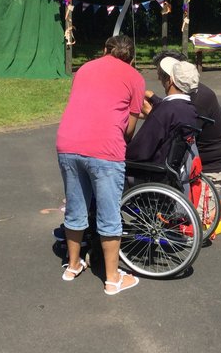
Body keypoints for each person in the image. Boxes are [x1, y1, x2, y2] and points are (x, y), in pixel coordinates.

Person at [56, 35, 143, 295]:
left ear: (105, 50)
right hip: (105, 149)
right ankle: (113, 278)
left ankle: (72, 266)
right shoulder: (135, 78)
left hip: (68, 142)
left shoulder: (84, 69)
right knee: (109, 214)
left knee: (75, 207)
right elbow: (130, 126)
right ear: (132, 58)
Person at [145, 51, 221, 223]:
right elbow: (170, 110)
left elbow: (176, 129)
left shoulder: (200, 98)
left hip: (213, 167)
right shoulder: (186, 91)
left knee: (198, 220)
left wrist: (152, 113)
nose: (160, 79)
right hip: (190, 165)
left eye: (163, 75)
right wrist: (153, 101)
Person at [126, 58, 199, 166]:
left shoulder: (163, 111)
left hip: (149, 170)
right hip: (171, 167)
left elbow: (138, 151)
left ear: (171, 80)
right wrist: (155, 100)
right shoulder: (190, 109)